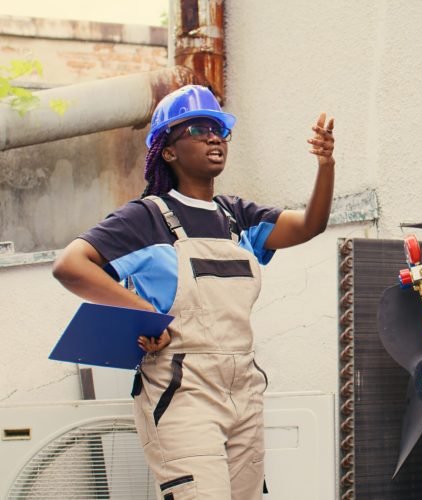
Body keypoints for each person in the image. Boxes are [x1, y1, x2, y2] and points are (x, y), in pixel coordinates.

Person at [52, 84, 336, 499]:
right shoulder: (145, 218)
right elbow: (70, 265)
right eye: (198, 129)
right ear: (168, 151)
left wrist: (325, 164)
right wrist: (146, 314)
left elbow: (310, 224)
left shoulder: (238, 217)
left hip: (244, 389)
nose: (213, 137)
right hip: (183, 392)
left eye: (219, 129)